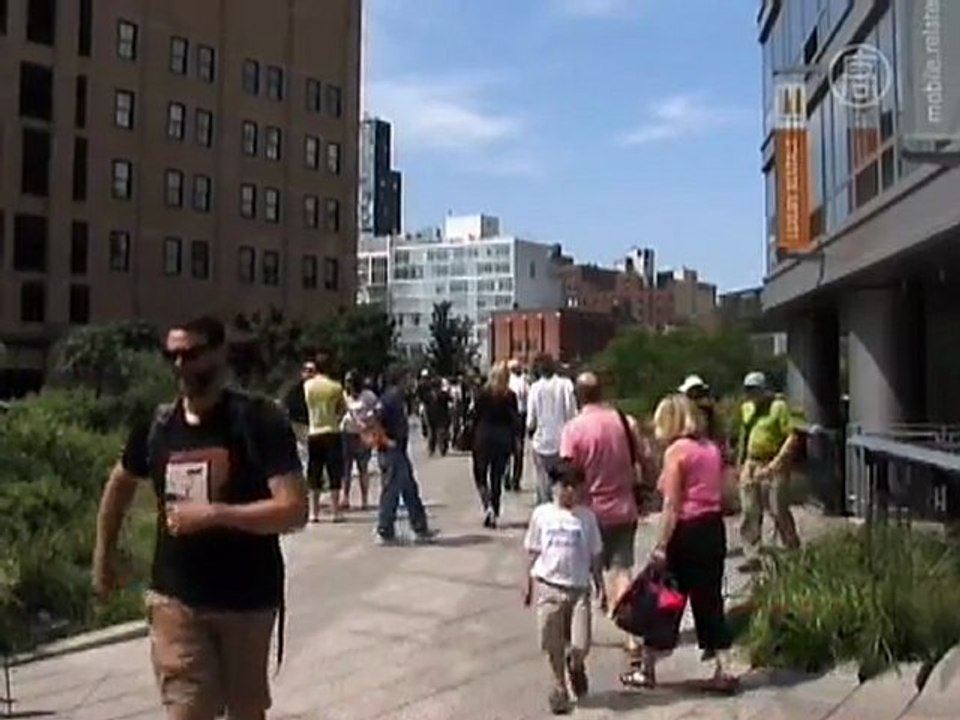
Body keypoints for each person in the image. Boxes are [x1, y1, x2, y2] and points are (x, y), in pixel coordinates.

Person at [92, 315, 307, 720]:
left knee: (246, 710)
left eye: (190, 354)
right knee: (188, 709)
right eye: (171, 355)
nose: (179, 365)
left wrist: (215, 514)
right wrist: (103, 558)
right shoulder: (158, 427)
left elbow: (293, 509)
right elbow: (118, 485)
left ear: (219, 353)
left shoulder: (259, 421)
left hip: (247, 598)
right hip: (177, 598)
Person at [621, 394, 737, 692]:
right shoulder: (711, 448)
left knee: (665, 600)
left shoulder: (677, 452)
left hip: (686, 530)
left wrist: (661, 544)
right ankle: (723, 668)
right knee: (710, 599)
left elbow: (672, 504)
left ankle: (647, 669)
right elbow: (726, 492)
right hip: (712, 528)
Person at [560, 371, 645, 658]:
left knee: (583, 572)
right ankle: (633, 637)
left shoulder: (573, 429)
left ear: (578, 396)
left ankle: (579, 636)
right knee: (622, 572)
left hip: (589, 513)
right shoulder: (625, 421)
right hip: (623, 507)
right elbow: (645, 458)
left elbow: (568, 474)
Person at [523, 459, 606, 715]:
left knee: (580, 643)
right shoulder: (542, 515)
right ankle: (559, 686)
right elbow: (533, 551)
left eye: (574, 486)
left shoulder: (586, 518)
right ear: (553, 486)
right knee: (551, 641)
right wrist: (528, 584)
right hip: (549, 586)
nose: (568, 491)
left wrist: (600, 585)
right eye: (563, 485)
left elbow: (594, 555)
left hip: (579, 589)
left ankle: (576, 664)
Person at [737, 371, 802, 572]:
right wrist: (740, 462)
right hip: (752, 461)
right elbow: (744, 435)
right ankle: (751, 555)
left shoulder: (779, 407)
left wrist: (777, 463)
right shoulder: (747, 408)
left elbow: (792, 436)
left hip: (773, 461)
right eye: (748, 390)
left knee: (778, 509)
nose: (751, 394)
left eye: (755, 390)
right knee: (749, 509)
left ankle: (792, 548)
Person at [368, 368, 437, 544]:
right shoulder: (390, 398)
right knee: (391, 491)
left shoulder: (398, 398)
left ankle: (419, 527)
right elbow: (374, 420)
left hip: (399, 450)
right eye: (408, 379)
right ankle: (385, 530)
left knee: (409, 489)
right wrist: (384, 439)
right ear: (400, 380)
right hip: (392, 451)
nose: (411, 383)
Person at [472, 361, 520, 529]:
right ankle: (495, 507)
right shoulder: (510, 396)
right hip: (503, 438)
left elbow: (474, 416)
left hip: (483, 436)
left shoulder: (482, 394)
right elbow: (515, 421)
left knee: (480, 475)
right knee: (496, 477)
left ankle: (488, 506)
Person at [527, 354, 578, 505]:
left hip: (542, 440)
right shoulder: (566, 384)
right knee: (563, 480)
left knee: (543, 480)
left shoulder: (535, 388)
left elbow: (531, 419)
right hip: (563, 440)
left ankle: (545, 509)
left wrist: (530, 430)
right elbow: (571, 411)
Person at [303, 354, 348, 523]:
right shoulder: (335, 387)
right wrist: (334, 418)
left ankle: (314, 513)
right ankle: (335, 511)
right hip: (331, 431)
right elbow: (343, 410)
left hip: (314, 431)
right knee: (333, 471)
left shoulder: (308, 386)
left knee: (314, 472)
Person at [341, 370, 378, 510]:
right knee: (346, 469)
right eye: (346, 381)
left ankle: (364, 500)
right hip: (346, 434)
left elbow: (375, 412)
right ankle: (345, 498)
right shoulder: (344, 396)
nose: (347, 384)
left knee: (363, 468)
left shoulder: (368, 396)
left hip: (363, 435)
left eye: (350, 381)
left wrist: (368, 423)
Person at [282, 361, 316, 471]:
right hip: (299, 423)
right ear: (302, 372)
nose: (310, 374)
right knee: (305, 452)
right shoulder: (295, 389)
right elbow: (287, 404)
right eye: (307, 371)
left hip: (313, 423)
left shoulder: (318, 388)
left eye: (312, 371)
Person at [507, 359, 530, 492]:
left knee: (509, 448)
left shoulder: (508, 381)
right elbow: (527, 397)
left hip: (510, 416)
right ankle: (515, 479)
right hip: (519, 416)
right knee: (518, 449)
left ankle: (508, 477)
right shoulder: (523, 382)